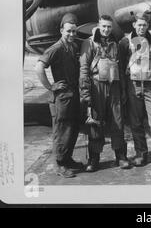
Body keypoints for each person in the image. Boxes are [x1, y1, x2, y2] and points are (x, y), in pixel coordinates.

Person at [79, 15, 130, 172]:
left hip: (114, 86)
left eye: (109, 27)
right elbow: (84, 68)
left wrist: (122, 90)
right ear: (99, 26)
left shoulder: (116, 43)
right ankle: (94, 159)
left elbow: (120, 68)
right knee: (95, 122)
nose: (106, 30)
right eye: (104, 27)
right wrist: (85, 93)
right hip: (96, 86)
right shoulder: (89, 43)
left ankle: (120, 156)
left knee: (117, 121)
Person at [35, 13, 83, 178]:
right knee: (62, 130)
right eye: (69, 31)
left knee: (72, 128)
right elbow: (39, 67)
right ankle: (59, 164)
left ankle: (67, 159)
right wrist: (50, 87)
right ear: (61, 30)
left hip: (72, 95)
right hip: (61, 97)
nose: (71, 35)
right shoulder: (56, 48)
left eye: (74, 32)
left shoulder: (73, 46)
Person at [119, 11, 151, 169]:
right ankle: (141, 154)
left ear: (148, 26)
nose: (141, 27)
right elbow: (121, 68)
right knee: (136, 122)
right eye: (139, 24)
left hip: (150, 85)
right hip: (133, 85)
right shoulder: (125, 42)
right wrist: (124, 90)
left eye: (144, 25)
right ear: (134, 25)